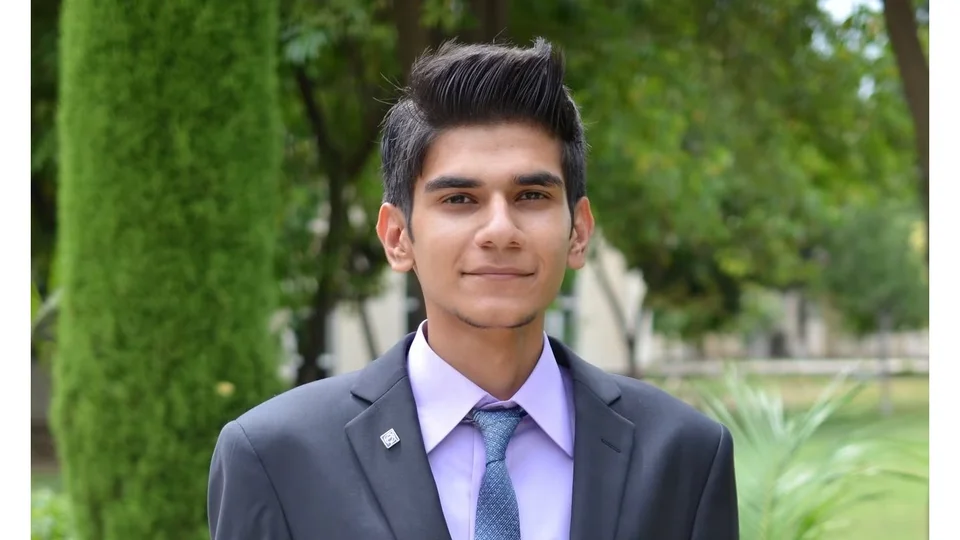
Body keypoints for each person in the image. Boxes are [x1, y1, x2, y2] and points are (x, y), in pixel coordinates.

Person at [207, 38, 738, 540]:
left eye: (531, 195)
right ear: (397, 237)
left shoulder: (683, 454)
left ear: (578, 232)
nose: (500, 231)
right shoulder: (277, 457)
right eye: (459, 200)